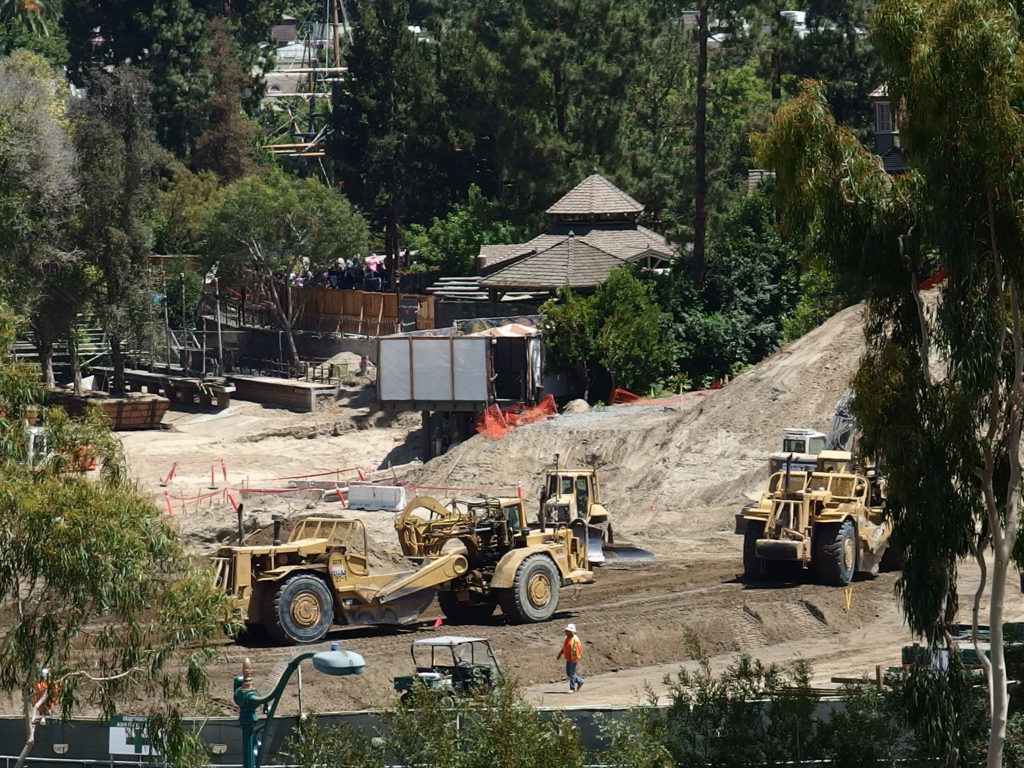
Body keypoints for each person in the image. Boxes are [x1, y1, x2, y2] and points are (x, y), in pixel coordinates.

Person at [556, 623, 584, 692]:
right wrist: (560, 654)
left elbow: (577, 650)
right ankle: (579, 681)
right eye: (566, 630)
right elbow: (564, 648)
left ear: (571, 632)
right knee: (568, 673)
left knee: (571, 674)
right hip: (568, 658)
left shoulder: (575, 640)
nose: (566, 632)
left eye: (567, 631)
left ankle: (572, 688)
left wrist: (575, 659)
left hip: (573, 659)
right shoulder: (567, 638)